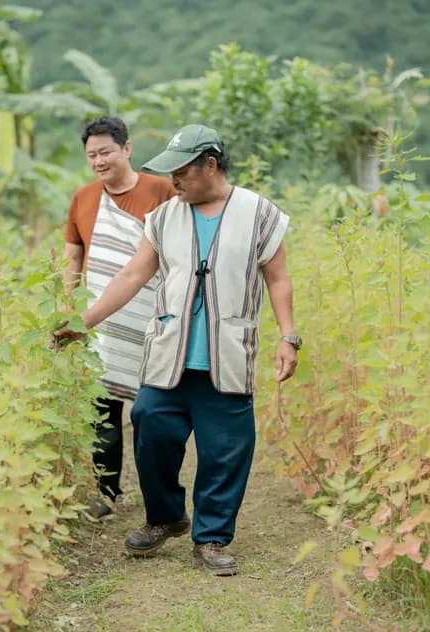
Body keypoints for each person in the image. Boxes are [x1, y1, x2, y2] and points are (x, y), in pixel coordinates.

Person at [55, 124, 300, 575]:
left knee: (225, 448)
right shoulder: (165, 217)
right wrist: (81, 323)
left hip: (226, 353)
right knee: (149, 421)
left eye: (182, 172)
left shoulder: (260, 214)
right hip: (170, 353)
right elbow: (131, 276)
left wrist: (288, 336)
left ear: (210, 165)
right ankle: (165, 516)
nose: (175, 182)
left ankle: (210, 538)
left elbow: (278, 277)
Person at [62, 116, 177, 521]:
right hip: (100, 318)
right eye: (91, 155)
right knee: (102, 410)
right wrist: (67, 305)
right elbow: (74, 255)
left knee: (149, 410)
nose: (98, 160)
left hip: (151, 314)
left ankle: (155, 495)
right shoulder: (83, 197)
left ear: (127, 149)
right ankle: (106, 492)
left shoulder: (161, 190)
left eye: (106, 151)